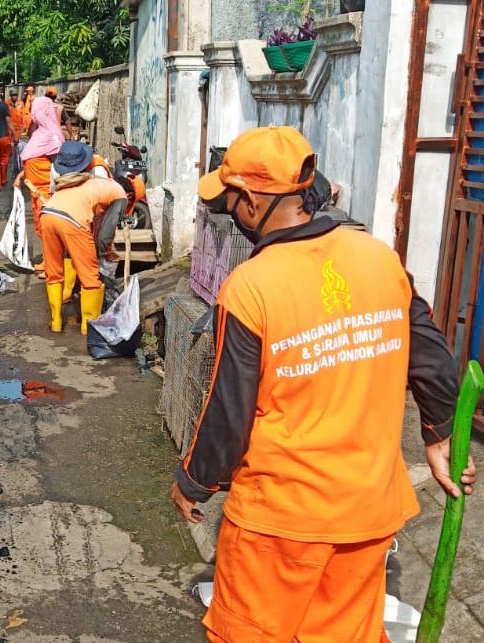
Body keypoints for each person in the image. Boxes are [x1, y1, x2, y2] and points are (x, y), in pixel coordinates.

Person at [170, 126, 476, 642]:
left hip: (279, 521)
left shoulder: (252, 286)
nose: (232, 216)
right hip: (366, 512)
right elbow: (435, 363)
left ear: (249, 201)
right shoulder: (380, 258)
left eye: (229, 203)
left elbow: (229, 412)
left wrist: (194, 481)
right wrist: (438, 437)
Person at [39, 140, 126, 334]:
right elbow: (106, 230)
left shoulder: (64, 177)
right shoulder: (107, 185)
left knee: (53, 271)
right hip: (73, 221)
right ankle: (89, 327)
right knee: (90, 277)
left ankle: (55, 322)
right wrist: (101, 248)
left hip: (48, 214)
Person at [13, 95, 66, 272]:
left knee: (47, 227)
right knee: (41, 227)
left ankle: (53, 266)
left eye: (35, 111)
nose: (33, 114)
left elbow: (58, 165)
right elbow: (33, 159)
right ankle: (50, 261)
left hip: (46, 192)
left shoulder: (53, 136)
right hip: (36, 190)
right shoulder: (41, 132)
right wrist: (21, 175)